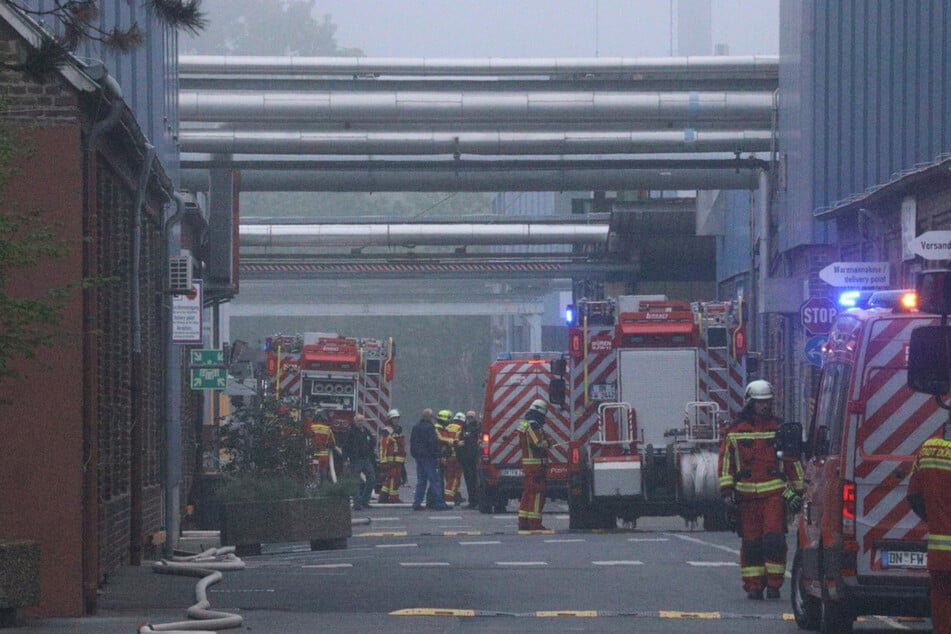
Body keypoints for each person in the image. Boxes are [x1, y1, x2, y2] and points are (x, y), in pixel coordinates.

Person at [717, 379, 804, 600]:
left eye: (767, 402)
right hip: (746, 498)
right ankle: (754, 585)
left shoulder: (779, 429)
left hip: (774, 495)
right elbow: (726, 462)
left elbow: (791, 460)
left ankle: (774, 584)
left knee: (774, 539)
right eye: (760, 402)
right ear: (750, 403)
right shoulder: (735, 431)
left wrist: (799, 490)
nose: (764, 406)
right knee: (752, 542)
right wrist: (727, 492)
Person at [906, 419, 951, 633]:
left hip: (940, 555)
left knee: (942, 614)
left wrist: (935, 519)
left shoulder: (929, 449)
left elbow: (913, 496)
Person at [517, 398, 551, 531]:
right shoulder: (533, 425)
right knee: (537, 495)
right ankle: (534, 523)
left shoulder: (524, 424)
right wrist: (548, 443)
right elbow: (537, 443)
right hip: (536, 467)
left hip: (529, 466)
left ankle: (523, 522)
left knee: (527, 494)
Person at [410, 408, 449, 510]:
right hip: (429, 458)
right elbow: (433, 443)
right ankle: (439, 503)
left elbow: (412, 442)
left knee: (421, 481)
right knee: (435, 480)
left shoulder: (416, 427)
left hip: (419, 457)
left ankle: (417, 503)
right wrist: (438, 455)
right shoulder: (430, 428)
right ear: (430, 417)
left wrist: (415, 454)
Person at [340, 414, 376, 510]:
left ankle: (364, 500)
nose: (361, 423)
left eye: (362, 421)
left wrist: (371, 449)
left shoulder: (366, 431)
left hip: (366, 459)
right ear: (355, 421)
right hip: (355, 460)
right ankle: (357, 504)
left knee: (372, 479)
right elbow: (345, 447)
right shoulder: (350, 432)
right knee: (355, 482)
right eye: (359, 421)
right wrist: (345, 460)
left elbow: (373, 441)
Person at [380, 409, 406, 503]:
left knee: (392, 479)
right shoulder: (387, 431)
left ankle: (383, 497)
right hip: (391, 460)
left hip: (398, 460)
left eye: (397, 418)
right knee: (394, 479)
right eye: (394, 418)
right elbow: (384, 447)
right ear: (390, 419)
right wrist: (384, 461)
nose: (396, 420)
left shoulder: (398, 430)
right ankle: (394, 498)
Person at [458, 410, 482, 509]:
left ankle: (477, 501)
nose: (469, 419)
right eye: (468, 417)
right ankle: (472, 501)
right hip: (466, 458)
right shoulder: (464, 428)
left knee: (476, 481)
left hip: (475, 458)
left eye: (471, 417)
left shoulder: (478, 428)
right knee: (469, 481)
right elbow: (460, 441)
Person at [306, 409, 336, 486]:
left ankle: (312, 484)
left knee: (312, 468)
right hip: (323, 452)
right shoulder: (328, 429)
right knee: (323, 469)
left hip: (312, 451)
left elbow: (307, 435)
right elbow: (332, 443)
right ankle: (323, 485)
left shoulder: (311, 427)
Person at [442, 412, 465, 506]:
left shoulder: (447, 427)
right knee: (456, 477)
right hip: (457, 457)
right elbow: (462, 444)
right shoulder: (461, 429)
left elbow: (443, 441)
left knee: (449, 476)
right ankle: (449, 498)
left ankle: (456, 495)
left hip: (448, 457)